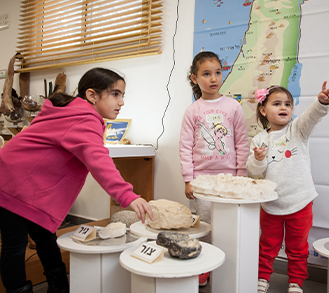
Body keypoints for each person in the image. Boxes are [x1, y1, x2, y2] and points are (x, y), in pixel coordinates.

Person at [0, 67, 153, 293]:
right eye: (115, 94)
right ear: (92, 95)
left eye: (122, 95)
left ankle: (59, 287)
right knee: (15, 246)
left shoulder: (71, 113)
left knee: (45, 237)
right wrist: (126, 194)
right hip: (12, 183)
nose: (121, 102)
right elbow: (98, 160)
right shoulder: (84, 118)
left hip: (22, 182)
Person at [246, 82, 329, 293]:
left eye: (288, 104)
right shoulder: (259, 139)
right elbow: (252, 170)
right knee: (267, 247)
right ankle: (262, 279)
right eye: (277, 104)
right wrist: (258, 159)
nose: (284, 107)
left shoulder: (298, 130)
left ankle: (296, 282)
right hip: (272, 205)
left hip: (300, 202)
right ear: (263, 110)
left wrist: (322, 102)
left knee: (297, 249)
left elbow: (311, 116)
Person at [179, 51, 249, 286]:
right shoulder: (193, 110)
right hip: (202, 182)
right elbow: (185, 146)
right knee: (206, 226)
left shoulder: (233, 107)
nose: (213, 78)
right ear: (194, 78)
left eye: (217, 72)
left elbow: (241, 142)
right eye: (206, 74)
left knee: (229, 226)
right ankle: (205, 266)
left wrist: (241, 175)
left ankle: (228, 265)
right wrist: (189, 179)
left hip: (229, 179)